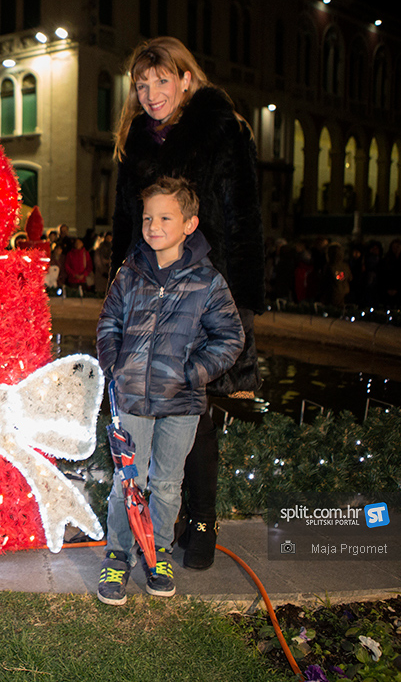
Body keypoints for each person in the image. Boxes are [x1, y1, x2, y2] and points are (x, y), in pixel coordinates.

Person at [111, 36, 262, 570]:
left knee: (193, 410)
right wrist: (121, 296)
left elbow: (243, 220)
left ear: (186, 79)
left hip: (204, 293)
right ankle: (160, 515)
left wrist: (240, 310)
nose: (151, 93)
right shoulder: (136, 141)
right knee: (149, 409)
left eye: (161, 81)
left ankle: (201, 519)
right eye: (141, 85)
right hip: (148, 291)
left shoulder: (221, 129)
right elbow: (125, 227)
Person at [96, 177, 243, 606]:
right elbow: (109, 323)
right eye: (147, 218)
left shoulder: (207, 281)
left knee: (166, 483)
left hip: (182, 401)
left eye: (164, 217)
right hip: (133, 398)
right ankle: (118, 554)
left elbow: (230, 338)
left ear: (190, 223)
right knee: (129, 481)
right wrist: (115, 366)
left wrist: (194, 373)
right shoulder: (130, 272)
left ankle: (156, 552)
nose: (153, 225)